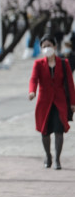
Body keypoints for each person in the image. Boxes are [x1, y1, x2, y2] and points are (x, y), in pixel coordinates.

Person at [29, 36, 75, 170]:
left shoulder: (63, 63)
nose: (46, 48)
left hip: (59, 102)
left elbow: (70, 85)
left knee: (59, 130)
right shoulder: (38, 64)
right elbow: (33, 79)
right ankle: (48, 155)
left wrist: (72, 102)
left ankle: (57, 159)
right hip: (44, 102)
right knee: (45, 131)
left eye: (49, 45)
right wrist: (32, 91)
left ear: (55, 47)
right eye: (43, 46)